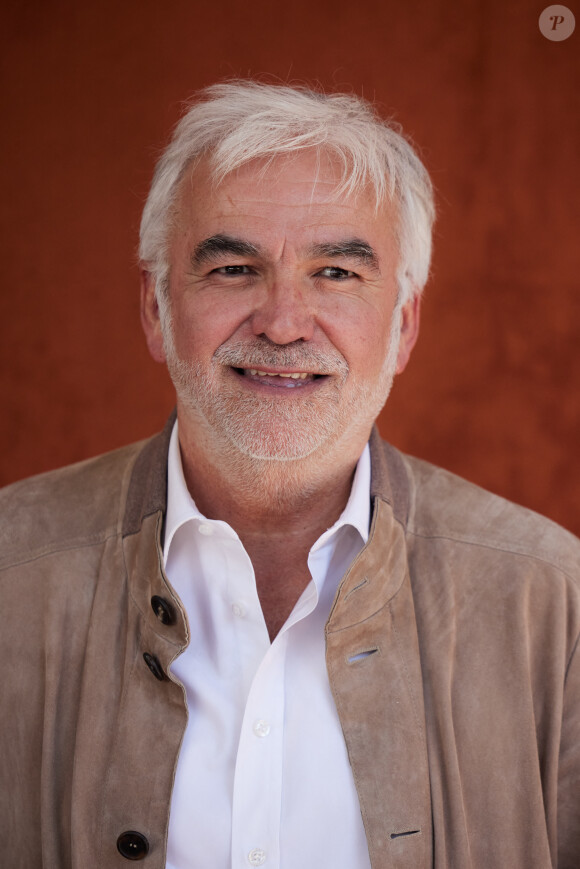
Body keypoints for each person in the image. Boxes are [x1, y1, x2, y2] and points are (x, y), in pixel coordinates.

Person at [1, 81, 579, 869]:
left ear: (403, 324)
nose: (281, 320)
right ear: (156, 308)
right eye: (234, 267)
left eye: (336, 273)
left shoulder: (553, 603)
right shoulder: (11, 574)